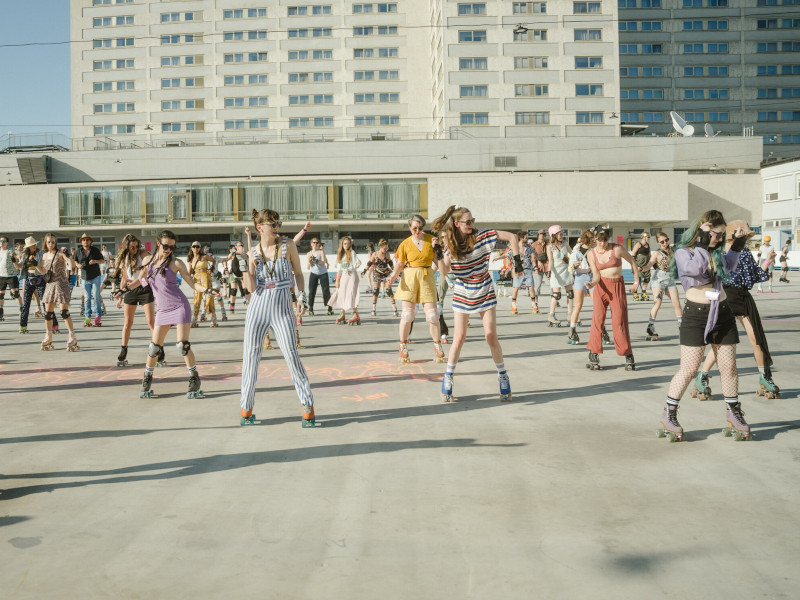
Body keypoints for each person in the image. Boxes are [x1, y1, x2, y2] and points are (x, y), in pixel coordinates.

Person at [657, 210, 750, 442]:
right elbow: (693, 270)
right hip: (696, 316)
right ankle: (669, 414)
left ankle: (733, 413)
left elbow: (728, 268)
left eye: (722, 235)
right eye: (716, 235)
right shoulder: (683, 252)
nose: (719, 239)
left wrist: (737, 245)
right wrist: (701, 242)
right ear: (704, 230)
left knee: (729, 368)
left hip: (723, 312)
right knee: (688, 369)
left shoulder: (716, 251)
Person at [432, 205, 522, 402]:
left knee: (490, 336)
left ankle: (502, 375)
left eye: (473, 221)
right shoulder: (451, 246)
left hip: (484, 287)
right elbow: (444, 270)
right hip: (463, 290)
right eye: (468, 222)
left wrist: (518, 262)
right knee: (459, 338)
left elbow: (512, 237)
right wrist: (437, 253)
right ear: (457, 224)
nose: (472, 225)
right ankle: (448, 377)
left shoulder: (483, 236)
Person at [239, 209, 315, 427]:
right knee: (250, 357)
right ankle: (246, 407)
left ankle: (307, 405)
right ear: (259, 227)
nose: (276, 228)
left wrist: (301, 296)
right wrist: (245, 267)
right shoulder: (254, 252)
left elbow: (299, 274)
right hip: (258, 307)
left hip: (282, 307)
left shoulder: (288, 245)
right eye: (272, 224)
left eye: (278, 224)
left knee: (292, 355)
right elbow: (252, 288)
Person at [124, 230, 220, 399]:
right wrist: (123, 289)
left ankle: (194, 378)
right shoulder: (148, 261)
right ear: (158, 244)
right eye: (166, 246)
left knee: (182, 346)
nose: (168, 250)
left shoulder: (176, 263)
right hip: (162, 309)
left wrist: (208, 290)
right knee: (154, 348)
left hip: (179, 306)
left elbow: (192, 283)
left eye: (172, 247)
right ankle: (147, 378)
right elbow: (142, 280)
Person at [695, 221, 780, 400]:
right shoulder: (717, 252)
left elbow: (755, 274)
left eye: (746, 237)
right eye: (743, 236)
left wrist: (768, 261)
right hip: (723, 295)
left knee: (756, 339)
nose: (745, 239)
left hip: (742, 297)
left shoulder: (745, 251)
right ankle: (701, 376)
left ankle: (764, 377)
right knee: (719, 342)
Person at [385, 215, 445, 364]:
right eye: (414, 228)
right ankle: (402, 344)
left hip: (426, 277)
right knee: (407, 315)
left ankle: (437, 345)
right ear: (410, 228)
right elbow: (399, 264)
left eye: (420, 228)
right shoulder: (405, 244)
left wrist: (438, 251)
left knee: (432, 315)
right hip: (410, 276)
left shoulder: (431, 240)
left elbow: (441, 264)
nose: (417, 231)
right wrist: (392, 277)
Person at [585, 226, 640, 371]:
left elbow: (633, 262)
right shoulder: (591, 254)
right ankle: (594, 353)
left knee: (619, 321)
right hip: (600, 287)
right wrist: (592, 284)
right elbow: (596, 275)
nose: (602, 243)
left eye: (605, 240)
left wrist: (636, 282)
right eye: (599, 240)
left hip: (617, 286)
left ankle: (628, 354)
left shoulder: (617, 249)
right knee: (597, 320)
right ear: (595, 238)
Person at [113, 234, 158, 367]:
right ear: (127, 247)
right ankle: (123, 350)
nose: (135, 249)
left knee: (150, 321)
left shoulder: (143, 253)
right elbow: (124, 277)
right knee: (128, 322)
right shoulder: (125, 258)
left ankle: (158, 348)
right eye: (132, 247)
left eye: (137, 246)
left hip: (144, 287)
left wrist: (137, 283)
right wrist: (120, 295)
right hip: (129, 290)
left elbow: (147, 276)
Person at [37, 233, 79, 351]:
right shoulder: (44, 256)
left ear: (56, 243)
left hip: (61, 284)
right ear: (45, 242)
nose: (51, 244)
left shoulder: (60, 254)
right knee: (48, 313)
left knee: (64, 312)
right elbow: (43, 271)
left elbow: (71, 265)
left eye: (53, 242)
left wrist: (68, 256)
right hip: (50, 284)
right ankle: (48, 336)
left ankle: (72, 335)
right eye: (49, 242)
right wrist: (35, 265)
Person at [641, 232, 682, 341]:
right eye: (662, 241)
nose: (665, 243)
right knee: (657, 302)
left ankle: (681, 326)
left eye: (666, 240)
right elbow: (649, 264)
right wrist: (643, 268)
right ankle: (650, 327)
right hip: (658, 280)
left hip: (670, 280)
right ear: (658, 243)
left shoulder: (673, 251)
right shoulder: (657, 253)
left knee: (677, 303)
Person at [18, 237, 59, 335]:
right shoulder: (25, 255)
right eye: (32, 245)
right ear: (28, 247)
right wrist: (14, 261)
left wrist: (35, 262)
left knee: (46, 303)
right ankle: (23, 326)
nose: (34, 246)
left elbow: (43, 267)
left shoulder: (41, 253)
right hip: (29, 279)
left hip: (40, 279)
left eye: (35, 244)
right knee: (26, 304)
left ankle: (54, 326)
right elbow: (19, 266)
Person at [566, 229, 594, 345]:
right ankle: (572, 330)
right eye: (593, 239)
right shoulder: (576, 251)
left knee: (597, 304)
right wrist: (574, 265)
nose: (595, 241)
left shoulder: (594, 250)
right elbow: (570, 268)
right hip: (580, 277)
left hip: (592, 277)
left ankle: (601, 329)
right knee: (578, 305)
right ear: (588, 239)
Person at [327, 236, 362, 325]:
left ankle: (355, 313)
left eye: (348, 243)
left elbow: (356, 263)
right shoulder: (340, 254)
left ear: (350, 244)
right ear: (342, 244)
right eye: (345, 243)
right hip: (344, 276)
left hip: (352, 275)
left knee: (352, 293)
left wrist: (357, 265)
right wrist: (337, 280)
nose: (346, 245)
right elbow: (339, 268)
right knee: (341, 292)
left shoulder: (352, 253)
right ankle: (342, 313)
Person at [74, 233, 106, 327]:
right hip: (84, 277)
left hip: (95, 276)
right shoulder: (78, 251)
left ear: (90, 241)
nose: (85, 241)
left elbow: (103, 261)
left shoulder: (95, 250)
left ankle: (98, 316)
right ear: (81, 241)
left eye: (87, 240)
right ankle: (87, 317)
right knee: (87, 297)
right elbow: (75, 260)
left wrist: (95, 261)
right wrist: (77, 265)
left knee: (96, 296)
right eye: (84, 240)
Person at [546, 224, 574, 327]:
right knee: (556, 295)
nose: (562, 235)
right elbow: (551, 261)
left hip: (566, 271)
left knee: (570, 293)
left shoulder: (565, 243)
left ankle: (570, 314)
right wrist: (549, 271)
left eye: (562, 233)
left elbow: (572, 254)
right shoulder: (550, 247)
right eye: (559, 234)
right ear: (553, 235)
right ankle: (551, 315)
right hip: (556, 272)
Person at [188, 241, 218, 327]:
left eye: (197, 247)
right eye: (194, 247)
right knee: (197, 300)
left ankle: (213, 319)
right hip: (196, 280)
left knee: (209, 298)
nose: (196, 248)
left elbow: (214, 261)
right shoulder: (191, 260)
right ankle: (194, 320)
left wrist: (211, 269)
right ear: (191, 248)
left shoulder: (204, 256)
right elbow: (189, 272)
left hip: (206, 278)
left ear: (200, 248)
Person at [366, 239, 397, 317]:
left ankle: (394, 308)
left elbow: (391, 263)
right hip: (377, 272)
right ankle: (373, 309)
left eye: (387, 248)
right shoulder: (375, 254)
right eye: (385, 248)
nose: (386, 250)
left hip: (386, 272)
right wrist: (364, 270)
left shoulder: (387, 254)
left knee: (388, 290)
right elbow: (369, 263)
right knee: (376, 290)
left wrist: (395, 272)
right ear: (380, 247)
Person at [510, 231, 536, 316]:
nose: (527, 238)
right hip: (519, 270)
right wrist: (498, 257)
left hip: (528, 269)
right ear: (521, 238)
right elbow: (507, 255)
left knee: (531, 287)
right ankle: (513, 304)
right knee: (516, 287)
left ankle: (533, 303)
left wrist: (536, 265)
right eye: (526, 237)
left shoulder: (529, 246)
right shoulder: (514, 246)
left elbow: (533, 256)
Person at [307, 237, 333, 316]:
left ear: (318, 244)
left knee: (325, 290)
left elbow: (323, 262)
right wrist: (309, 261)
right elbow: (308, 267)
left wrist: (314, 260)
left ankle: (329, 307)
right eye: (313, 242)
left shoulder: (321, 252)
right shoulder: (309, 253)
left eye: (317, 242)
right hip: (313, 273)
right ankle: (311, 308)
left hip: (323, 273)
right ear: (311, 244)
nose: (315, 244)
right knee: (312, 291)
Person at [0, 234, 22, 322]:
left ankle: (21, 309)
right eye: (0, 241)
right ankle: (1, 311)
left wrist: (16, 256)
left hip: (11, 275)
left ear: (7, 243)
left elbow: (19, 254)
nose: (1, 243)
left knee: (15, 293)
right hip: (1, 276)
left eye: (3, 241)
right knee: (1, 295)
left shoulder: (10, 250)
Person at [530, 229, 548, 314]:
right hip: (538, 267)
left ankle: (555, 301)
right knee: (537, 286)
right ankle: (535, 302)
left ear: (544, 235)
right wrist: (535, 268)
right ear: (538, 235)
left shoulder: (547, 244)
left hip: (547, 266)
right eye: (540, 234)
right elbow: (533, 257)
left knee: (553, 285)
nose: (541, 235)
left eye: (543, 234)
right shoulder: (534, 244)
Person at [631, 232, 652, 301]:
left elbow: (649, 255)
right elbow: (633, 254)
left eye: (649, 237)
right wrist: (635, 266)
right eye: (648, 237)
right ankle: (635, 293)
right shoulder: (638, 244)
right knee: (637, 280)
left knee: (647, 279)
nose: (648, 238)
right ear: (643, 237)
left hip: (646, 265)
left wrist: (651, 264)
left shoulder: (648, 245)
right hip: (638, 265)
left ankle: (643, 293)